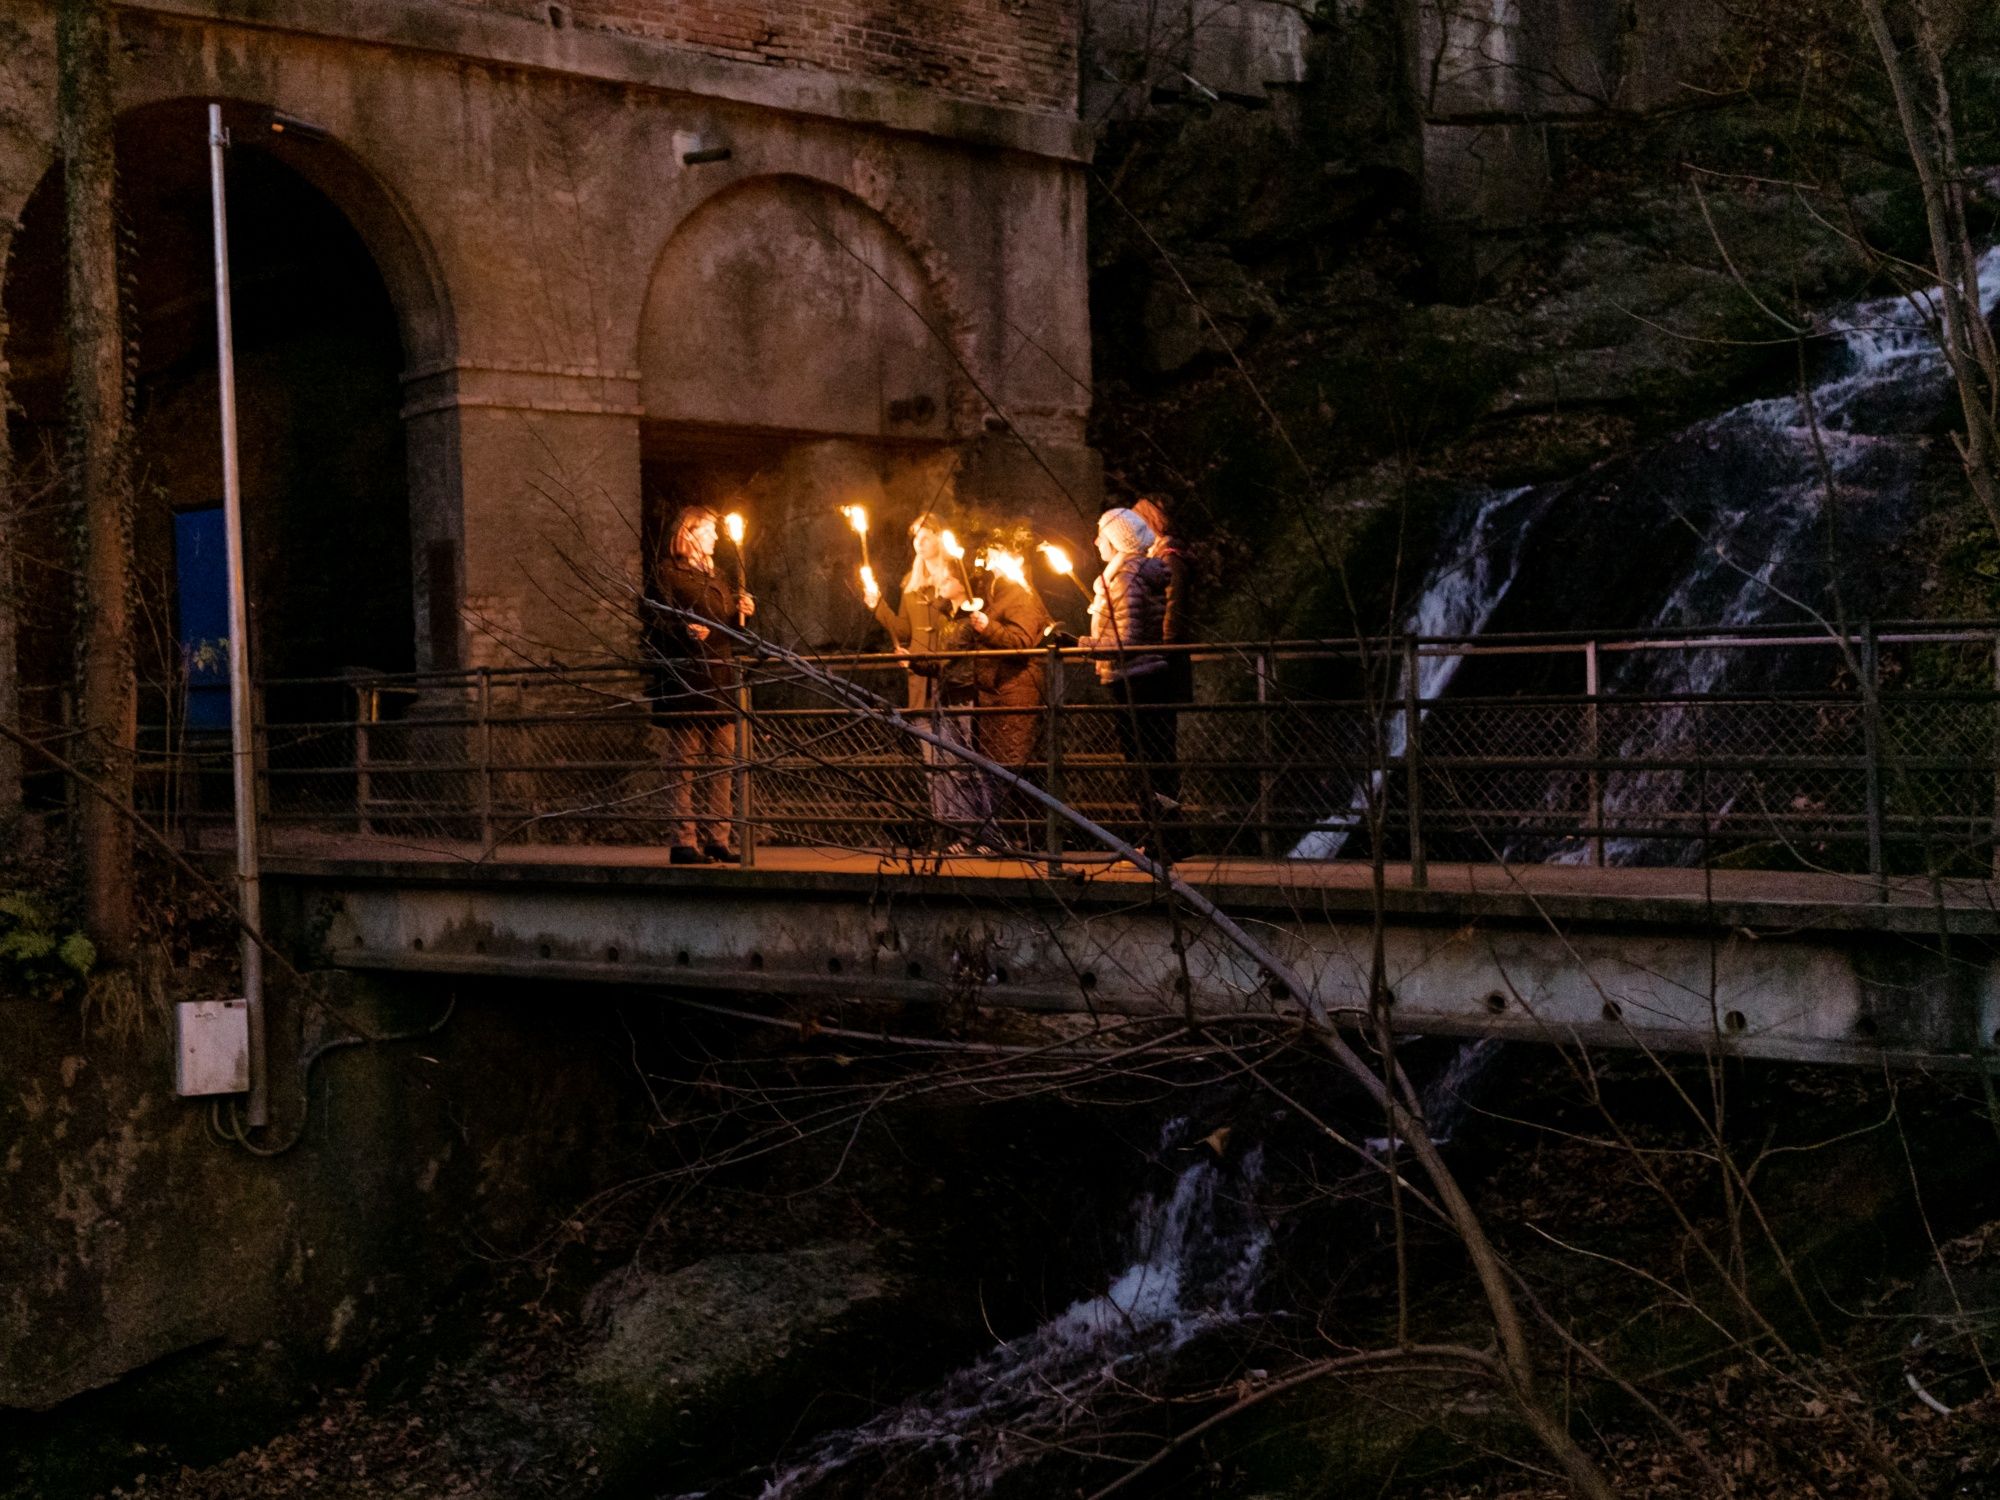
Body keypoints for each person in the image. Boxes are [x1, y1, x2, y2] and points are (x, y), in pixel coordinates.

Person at [865, 518, 989, 845]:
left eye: (926, 534)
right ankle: (944, 832)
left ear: (939, 538)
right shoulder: (911, 583)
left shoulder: (956, 580)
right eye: (915, 536)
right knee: (933, 763)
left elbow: (963, 624)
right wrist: (877, 604)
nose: (919, 541)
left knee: (959, 760)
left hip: (951, 678)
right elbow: (904, 631)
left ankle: (971, 832)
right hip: (921, 684)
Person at [649, 504, 754, 865]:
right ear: (689, 533)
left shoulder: (718, 575)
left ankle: (718, 838)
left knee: (723, 763)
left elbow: (728, 629)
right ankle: (683, 841)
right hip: (686, 681)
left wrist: (741, 613)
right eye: (709, 530)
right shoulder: (667, 573)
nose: (716, 536)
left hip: (719, 679)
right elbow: (653, 621)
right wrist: (682, 630)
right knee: (684, 765)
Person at [1079, 507, 1173, 853]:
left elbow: (1128, 640)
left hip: (1134, 679)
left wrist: (1084, 645)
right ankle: (1168, 836)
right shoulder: (1135, 574)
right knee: (1154, 759)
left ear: (1117, 539)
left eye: (1101, 534)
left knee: (1143, 762)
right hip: (1145, 676)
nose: (1096, 541)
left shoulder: (1125, 578)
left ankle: (1158, 838)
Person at [958, 555, 1052, 849]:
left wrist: (988, 628)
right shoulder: (996, 590)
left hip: (1015, 692)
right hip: (997, 693)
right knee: (999, 768)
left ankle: (1023, 837)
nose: (986, 555)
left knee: (1015, 767)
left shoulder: (1020, 592)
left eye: (995, 549)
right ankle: (1004, 835)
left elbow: (1022, 641)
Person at [1130, 497, 1190, 834]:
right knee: (1154, 753)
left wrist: (1159, 652)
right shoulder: (1157, 561)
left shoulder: (1169, 561)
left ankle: (1171, 832)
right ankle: (1163, 830)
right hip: (1157, 663)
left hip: (1162, 667)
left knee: (1159, 752)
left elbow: (1173, 614)